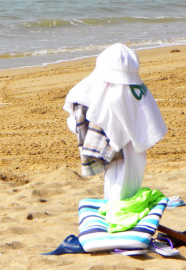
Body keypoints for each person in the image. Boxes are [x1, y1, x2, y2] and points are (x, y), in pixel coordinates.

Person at [63, 43, 167, 201]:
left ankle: (117, 203)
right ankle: (117, 203)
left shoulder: (110, 88)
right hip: (117, 141)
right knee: (120, 177)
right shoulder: (128, 88)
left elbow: (78, 104)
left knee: (123, 176)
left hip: (123, 143)